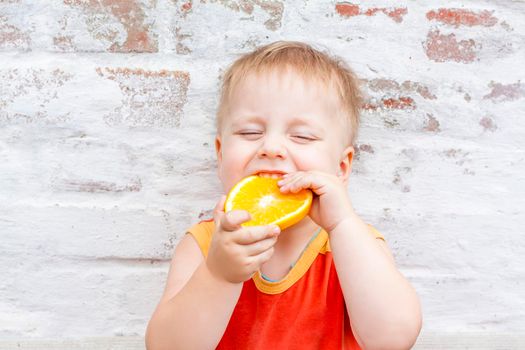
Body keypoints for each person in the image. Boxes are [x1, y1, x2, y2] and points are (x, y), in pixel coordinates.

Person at [145, 41, 422, 350]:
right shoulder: (204, 245)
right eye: (250, 132)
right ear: (221, 154)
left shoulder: (356, 243)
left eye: (302, 136)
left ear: (341, 167)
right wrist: (219, 274)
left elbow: (393, 339)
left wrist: (343, 224)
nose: (271, 148)